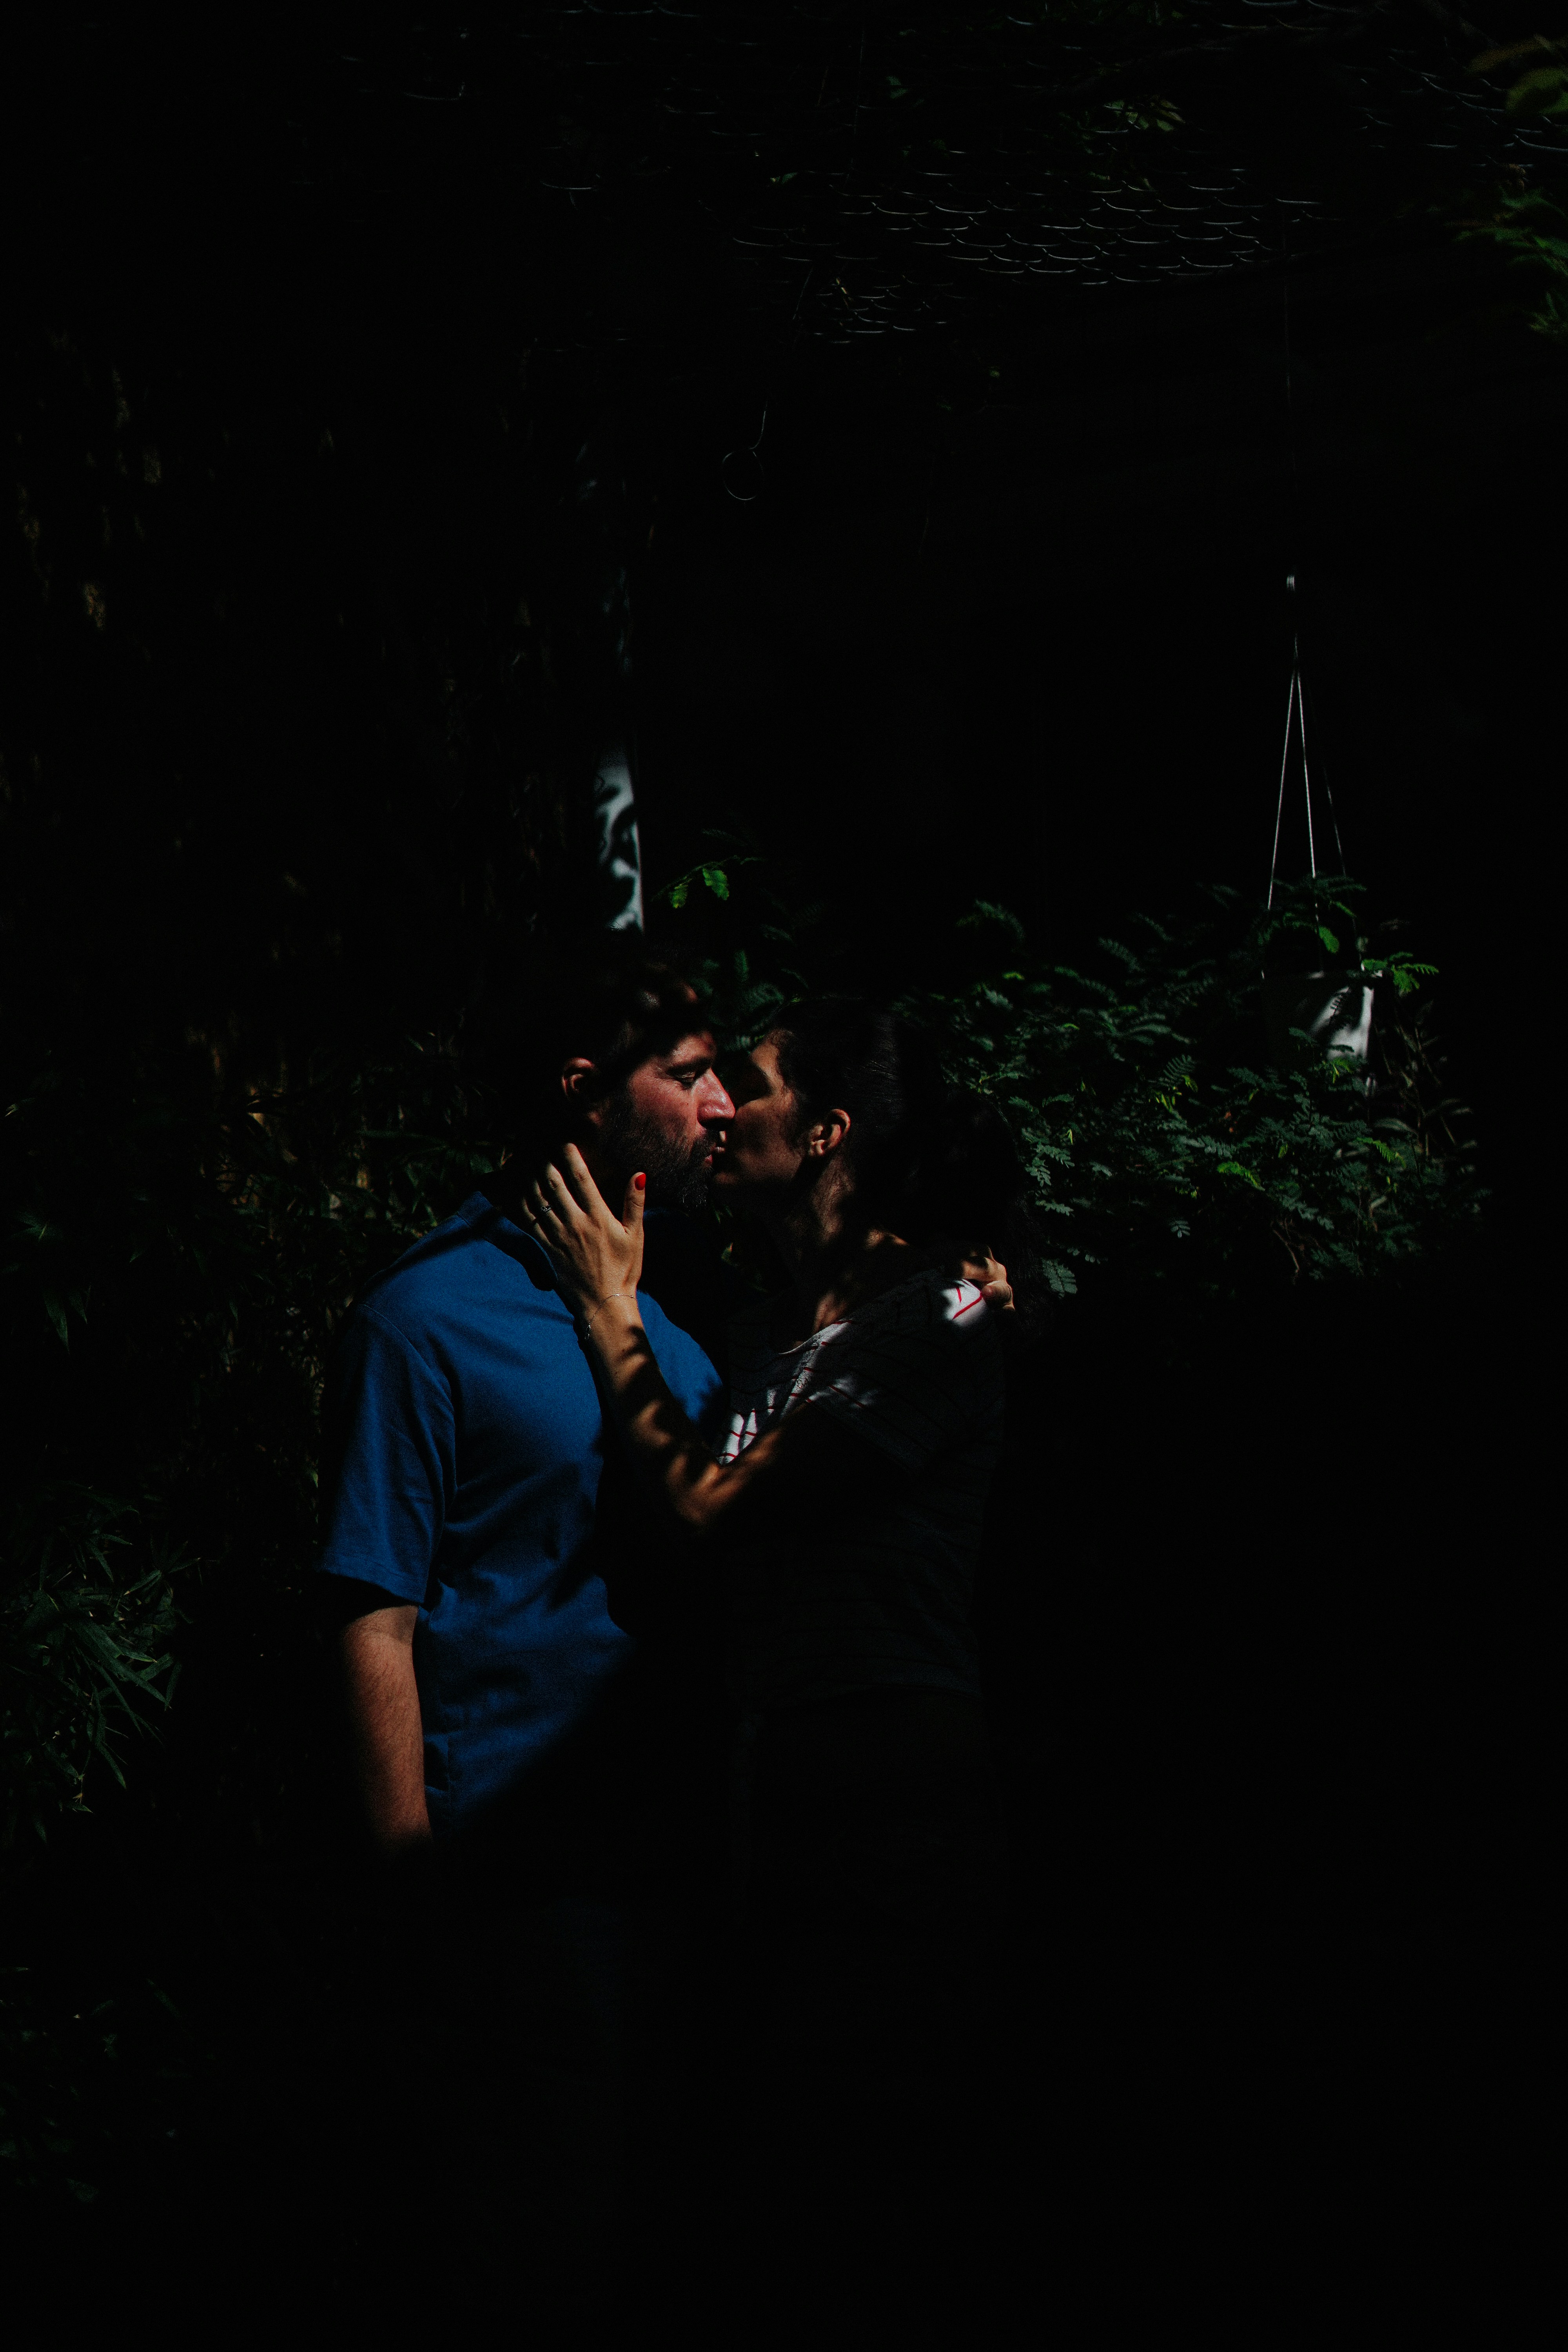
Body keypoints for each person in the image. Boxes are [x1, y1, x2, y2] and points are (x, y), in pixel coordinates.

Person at [517, 999, 1033, 2327]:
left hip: (897, 1797)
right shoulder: (758, 1329)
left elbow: (711, 1509)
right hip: (782, 1791)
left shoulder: (953, 1305)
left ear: (828, 1132)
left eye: (744, 1084)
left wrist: (609, 1311)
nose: (719, 1109)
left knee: (893, 2181)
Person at [314, 944, 738, 2323]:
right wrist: (407, 1880)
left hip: (685, 1864)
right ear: (584, 1095)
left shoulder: (670, 1337)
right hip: (528, 1882)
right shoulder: (423, 1319)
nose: (723, 1104)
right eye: (687, 1077)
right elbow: (373, 1610)